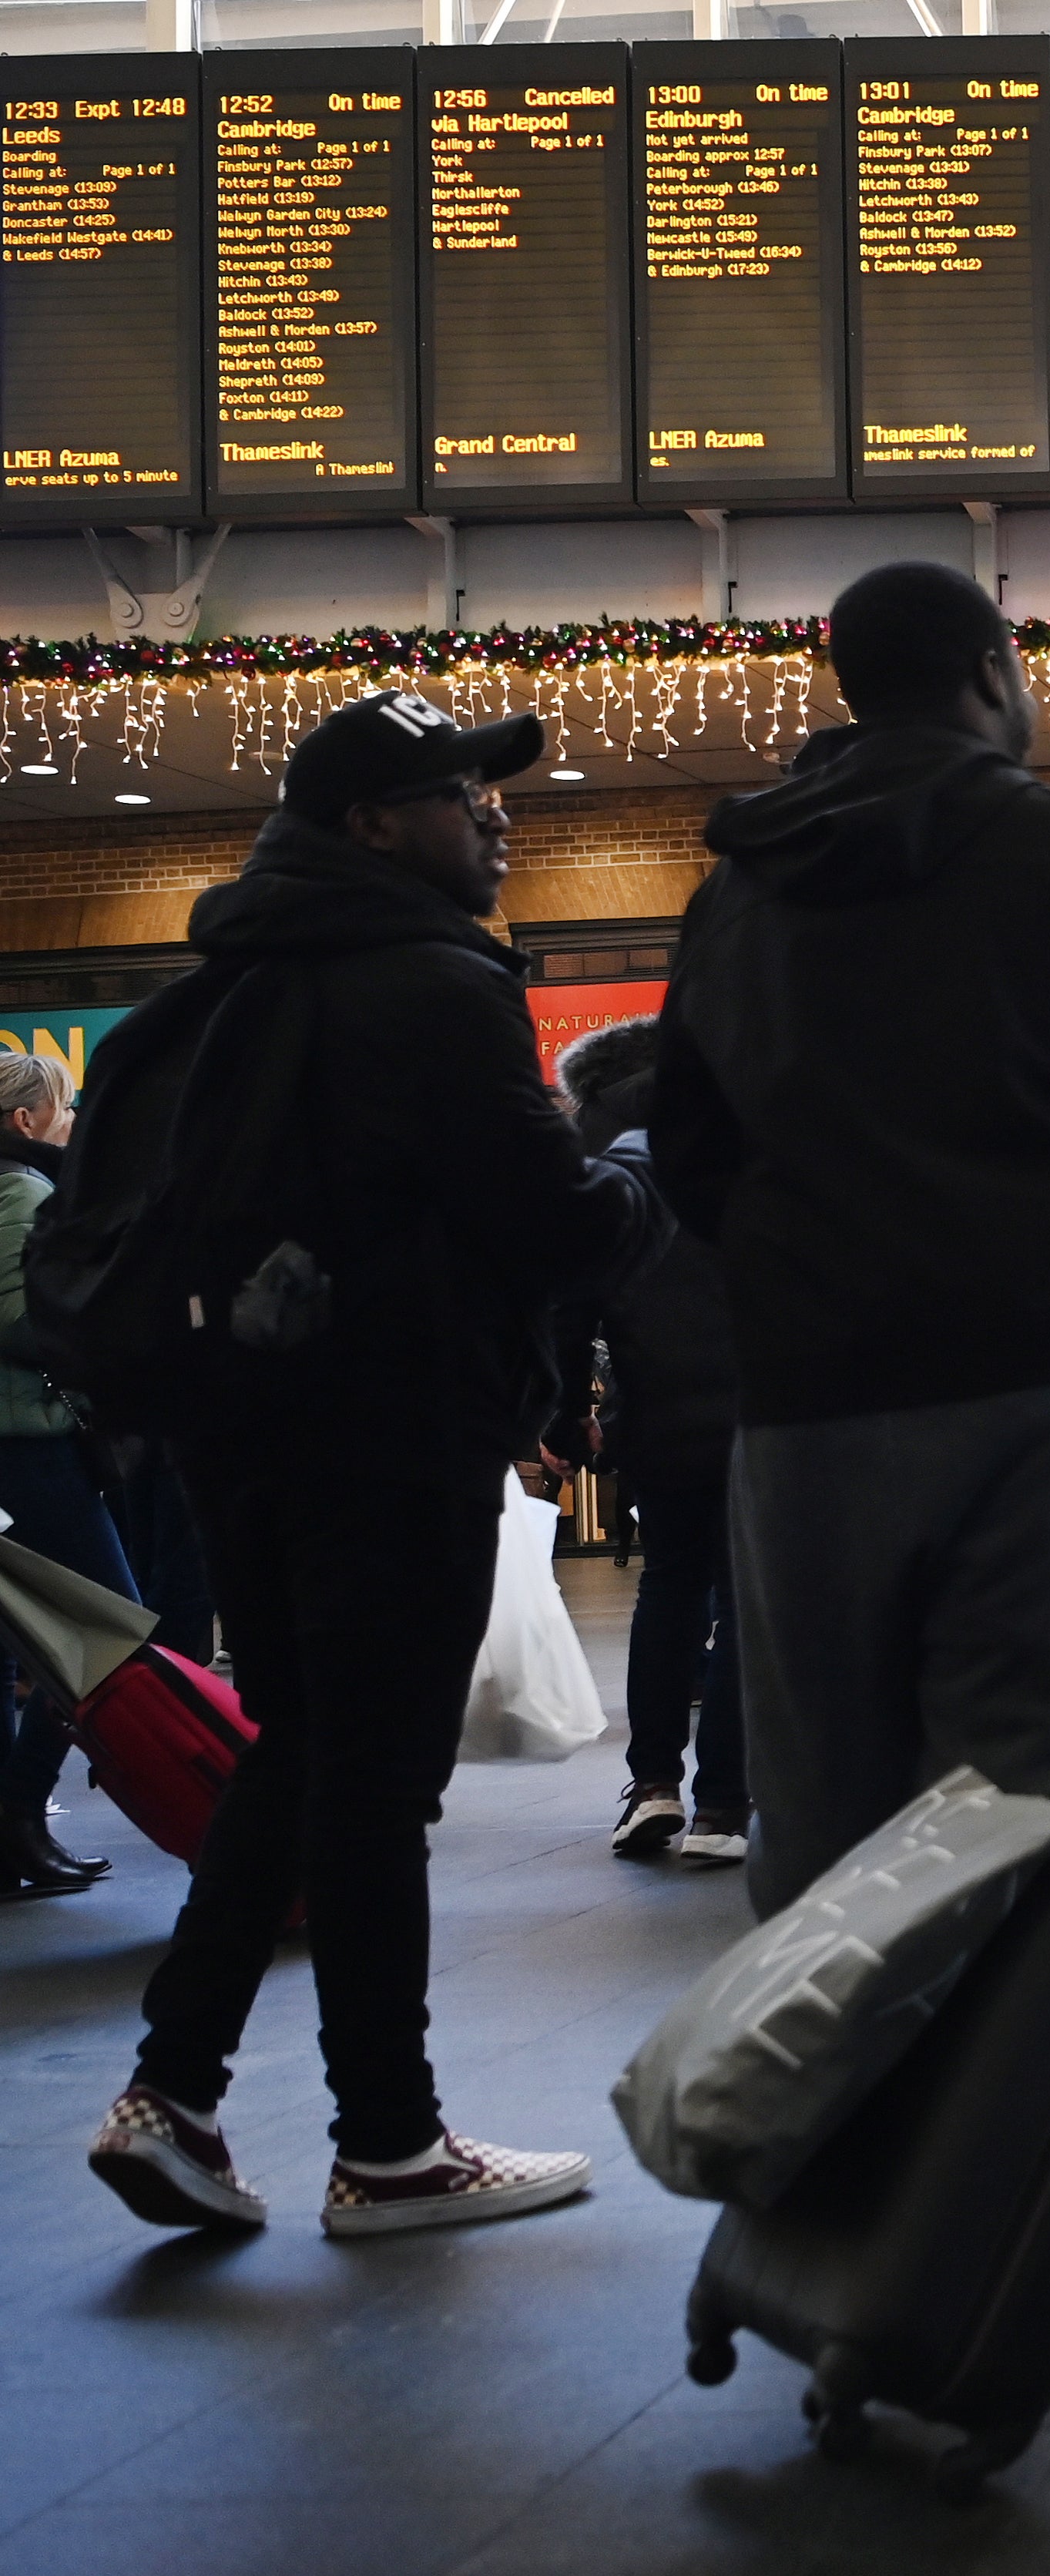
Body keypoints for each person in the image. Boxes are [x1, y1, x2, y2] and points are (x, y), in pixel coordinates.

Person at [86, 689, 663, 2240]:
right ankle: (391, 2144)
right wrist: (633, 1168)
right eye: (458, 791)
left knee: (305, 1745)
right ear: (369, 826)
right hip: (391, 1430)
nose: (494, 813)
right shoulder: (424, 976)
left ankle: (173, 2091)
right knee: (375, 1781)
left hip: (244, 1429)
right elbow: (544, 1218)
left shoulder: (239, 974)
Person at [654, 561, 1050, 1929]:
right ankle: (998, 2131)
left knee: (821, 1809)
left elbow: (689, 1149)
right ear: (994, 672)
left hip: (812, 1412)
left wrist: (799, 1285)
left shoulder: (742, 894)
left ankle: (837, 2118)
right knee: (1021, 1800)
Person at [552, 1017, 750, 1868]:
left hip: (656, 1410)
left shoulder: (598, 1150)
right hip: (760, 1410)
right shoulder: (744, 1133)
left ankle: (652, 1784)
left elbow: (571, 1296)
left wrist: (566, 1411)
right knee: (747, 1605)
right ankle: (726, 1807)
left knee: (668, 1585)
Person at [0, 1049, 139, 1896]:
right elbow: (22, 1321)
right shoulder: (22, 1192)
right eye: (58, 1111)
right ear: (25, 1122)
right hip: (30, 1445)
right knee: (103, 1633)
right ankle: (20, 1810)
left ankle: (9, 1832)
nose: (70, 1125)